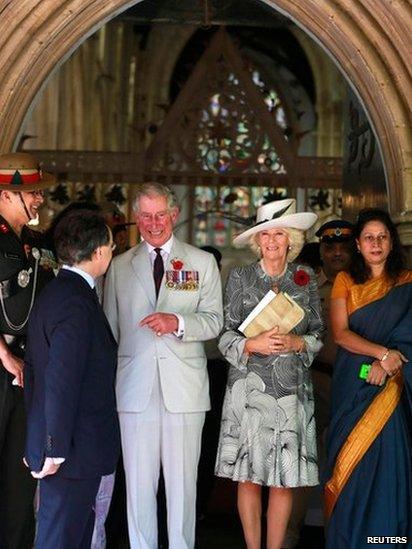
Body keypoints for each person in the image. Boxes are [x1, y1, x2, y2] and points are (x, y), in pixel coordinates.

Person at [104, 182, 223, 549]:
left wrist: (179, 323)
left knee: (183, 487)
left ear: (174, 214)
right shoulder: (119, 266)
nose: (154, 223)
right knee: (138, 487)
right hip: (134, 390)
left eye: (161, 215)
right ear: (136, 217)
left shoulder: (200, 261)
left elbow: (215, 322)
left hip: (184, 391)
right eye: (146, 216)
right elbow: (110, 328)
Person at [215, 198, 324, 549]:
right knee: (248, 476)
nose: (273, 241)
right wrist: (252, 345)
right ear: (257, 242)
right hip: (249, 391)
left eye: (280, 234)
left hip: (292, 390)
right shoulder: (240, 277)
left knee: (283, 479)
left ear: (291, 239)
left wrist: (297, 342)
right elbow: (225, 336)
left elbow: (319, 335)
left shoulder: (304, 280)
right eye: (266, 236)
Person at [23, 209, 121, 548]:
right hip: (70, 452)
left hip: (68, 446)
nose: (112, 252)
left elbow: (36, 370)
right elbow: (60, 378)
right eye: (110, 246)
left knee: (71, 537)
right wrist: (54, 447)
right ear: (97, 254)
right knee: (60, 538)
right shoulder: (75, 301)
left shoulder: (57, 293)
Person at [324, 208, 412, 548]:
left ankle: (387, 539)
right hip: (353, 387)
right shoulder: (346, 281)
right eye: (368, 238)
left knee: (390, 464)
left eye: (382, 237)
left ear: (392, 242)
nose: (375, 243)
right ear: (358, 245)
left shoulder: (406, 283)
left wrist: (391, 362)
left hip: (392, 389)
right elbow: (341, 334)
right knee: (350, 463)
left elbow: (407, 336)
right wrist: (382, 354)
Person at [284, 219, 354, 548]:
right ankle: (288, 536)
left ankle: (340, 537)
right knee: (300, 463)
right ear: (321, 250)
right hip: (314, 380)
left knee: (348, 464)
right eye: (330, 246)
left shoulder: (366, 287)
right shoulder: (307, 285)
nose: (336, 252)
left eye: (343, 246)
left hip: (357, 385)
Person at [0, 152, 56, 549]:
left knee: (18, 472)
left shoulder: (31, 242)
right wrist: (3, 355)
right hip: (5, 363)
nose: (38, 199)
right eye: (31, 192)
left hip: (26, 367)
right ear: (6, 194)